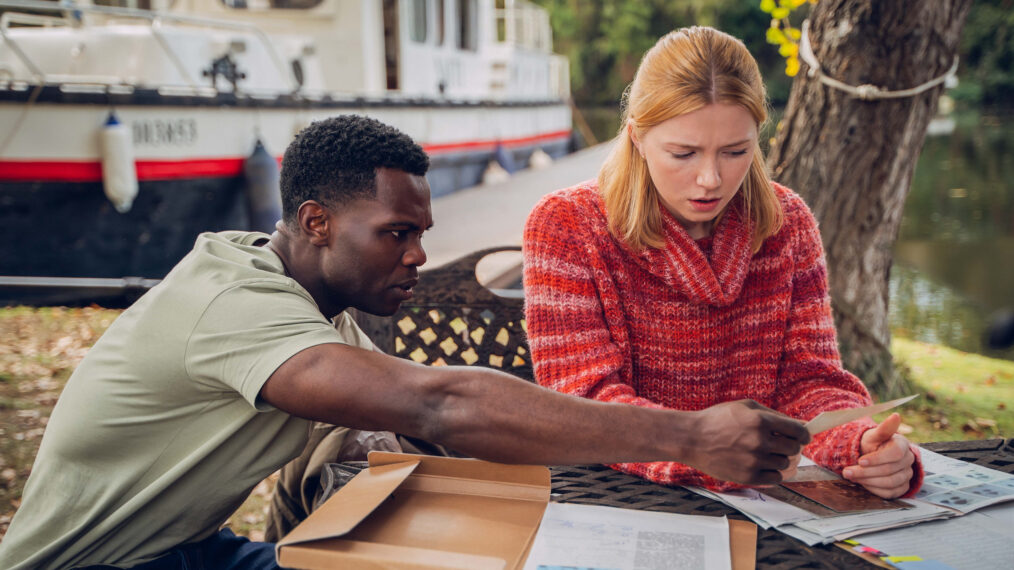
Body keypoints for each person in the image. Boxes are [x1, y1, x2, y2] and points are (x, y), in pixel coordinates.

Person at [0, 115, 811, 570]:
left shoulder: (311, 304)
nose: (420, 253)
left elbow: (402, 408)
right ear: (316, 223)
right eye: (398, 232)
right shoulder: (234, 305)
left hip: (182, 550)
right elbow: (442, 398)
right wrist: (693, 433)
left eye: (421, 230)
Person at [522, 27, 923, 500]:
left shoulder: (786, 224)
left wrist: (860, 444)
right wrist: (702, 450)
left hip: (762, 498)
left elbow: (810, 381)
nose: (710, 179)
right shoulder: (566, 225)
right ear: (637, 138)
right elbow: (583, 403)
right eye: (683, 153)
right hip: (615, 495)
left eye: (736, 152)